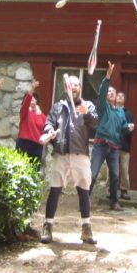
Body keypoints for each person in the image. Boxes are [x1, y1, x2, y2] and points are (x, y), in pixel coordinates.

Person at [39, 75, 99, 245]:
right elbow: (49, 123)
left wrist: (86, 113)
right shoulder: (58, 106)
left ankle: (86, 228)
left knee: (84, 191)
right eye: (70, 84)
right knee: (55, 190)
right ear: (66, 87)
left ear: (79, 87)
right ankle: (48, 226)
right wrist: (50, 132)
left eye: (76, 85)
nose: (73, 87)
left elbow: (95, 123)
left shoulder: (87, 105)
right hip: (61, 153)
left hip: (81, 154)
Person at [89, 62, 134, 211]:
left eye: (113, 92)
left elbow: (122, 127)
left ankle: (114, 202)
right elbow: (102, 91)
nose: (111, 93)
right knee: (93, 173)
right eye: (109, 92)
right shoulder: (103, 107)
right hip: (101, 144)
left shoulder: (120, 111)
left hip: (115, 147)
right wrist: (108, 75)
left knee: (115, 176)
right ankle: (85, 199)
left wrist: (127, 127)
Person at [16, 80, 47, 168]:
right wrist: (32, 88)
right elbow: (26, 102)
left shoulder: (42, 116)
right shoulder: (24, 112)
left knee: (34, 172)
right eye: (30, 98)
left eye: (34, 98)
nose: (32, 98)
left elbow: (46, 129)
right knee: (20, 169)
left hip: (37, 146)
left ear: (37, 101)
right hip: (24, 144)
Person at [116, 91, 135, 201]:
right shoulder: (111, 110)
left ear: (124, 100)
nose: (120, 97)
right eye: (118, 96)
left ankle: (124, 190)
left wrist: (125, 129)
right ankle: (112, 190)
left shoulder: (129, 114)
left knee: (124, 169)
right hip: (112, 145)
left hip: (124, 145)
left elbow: (131, 129)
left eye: (122, 96)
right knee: (112, 169)